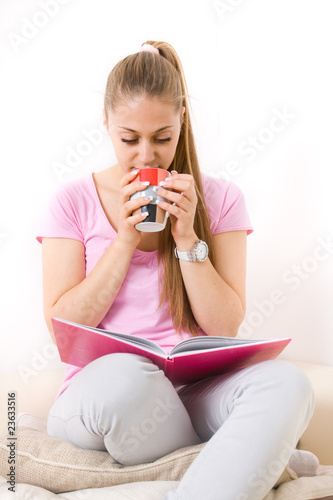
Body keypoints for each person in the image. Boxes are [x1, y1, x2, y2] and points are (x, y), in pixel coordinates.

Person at [37, 41, 314, 500]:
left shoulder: (221, 199)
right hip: (102, 396)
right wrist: (124, 240)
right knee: (125, 378)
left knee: (288, 384)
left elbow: (225, 324)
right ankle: (262, 459)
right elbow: (64, 329)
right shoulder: (72, 201)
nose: (147, 156)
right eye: (129, 139)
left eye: (162, 138)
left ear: (182, 120)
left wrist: (188, 239)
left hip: (191, 395)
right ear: (106, 123)